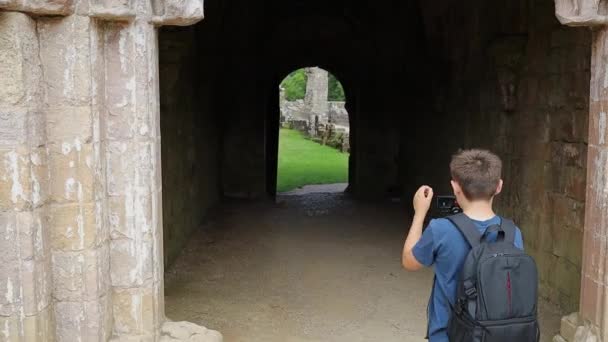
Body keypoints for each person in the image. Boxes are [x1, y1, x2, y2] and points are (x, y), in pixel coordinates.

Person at [401, 149, 524, 342]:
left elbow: (410, 261)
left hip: (448, 335)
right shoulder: (512, 233)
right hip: (495, 335)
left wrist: (419, 213)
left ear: (455, 187)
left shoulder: (441, 229)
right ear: (499, 186)